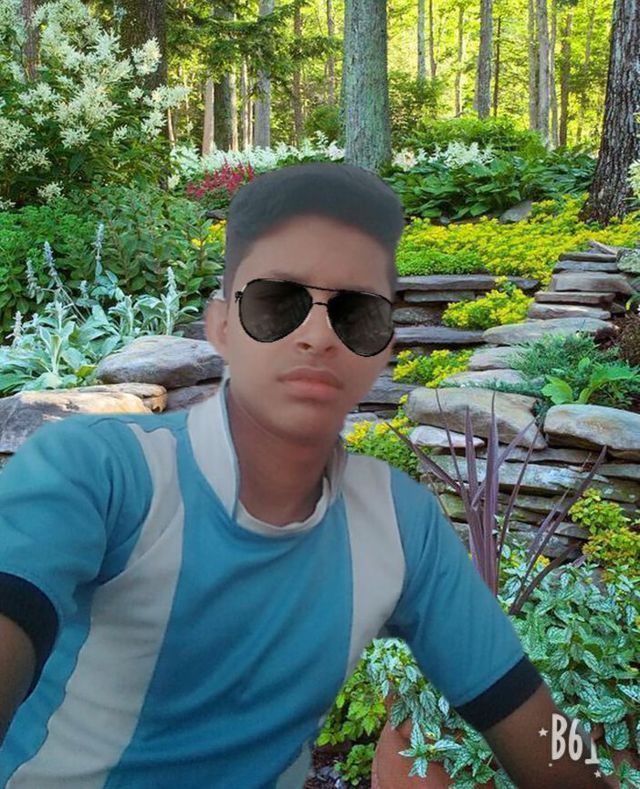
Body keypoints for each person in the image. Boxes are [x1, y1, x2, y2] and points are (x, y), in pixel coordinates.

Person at [0, 162, 611, 788]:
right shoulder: (98, 471)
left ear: (384, 350)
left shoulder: (401, 523)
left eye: (356, 312)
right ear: (220, 326)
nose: (318, 335)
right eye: (277, 302)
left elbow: (538, 725)